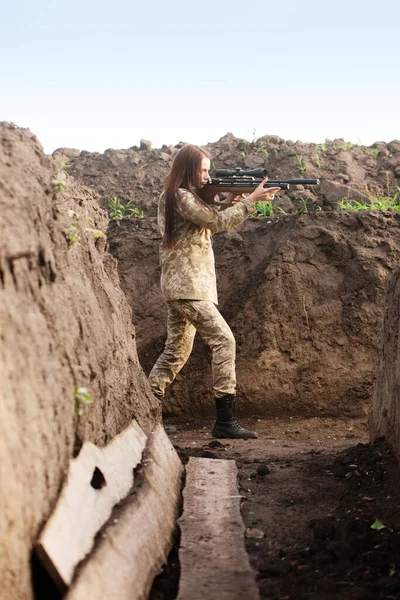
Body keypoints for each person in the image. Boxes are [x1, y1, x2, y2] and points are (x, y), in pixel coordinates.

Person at [148, 144, 280, 438]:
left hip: (185, 286)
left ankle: (144, 411)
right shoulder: (179, 195)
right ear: (188, 169)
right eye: (203, 170)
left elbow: (207, 213)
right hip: (188, 287)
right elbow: (213, 221)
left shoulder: (181, 197)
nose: (207, 176)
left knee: (175, 353)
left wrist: (233, 198)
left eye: (209, 170)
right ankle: (224, 422)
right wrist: (249, 202)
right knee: (224, 341)